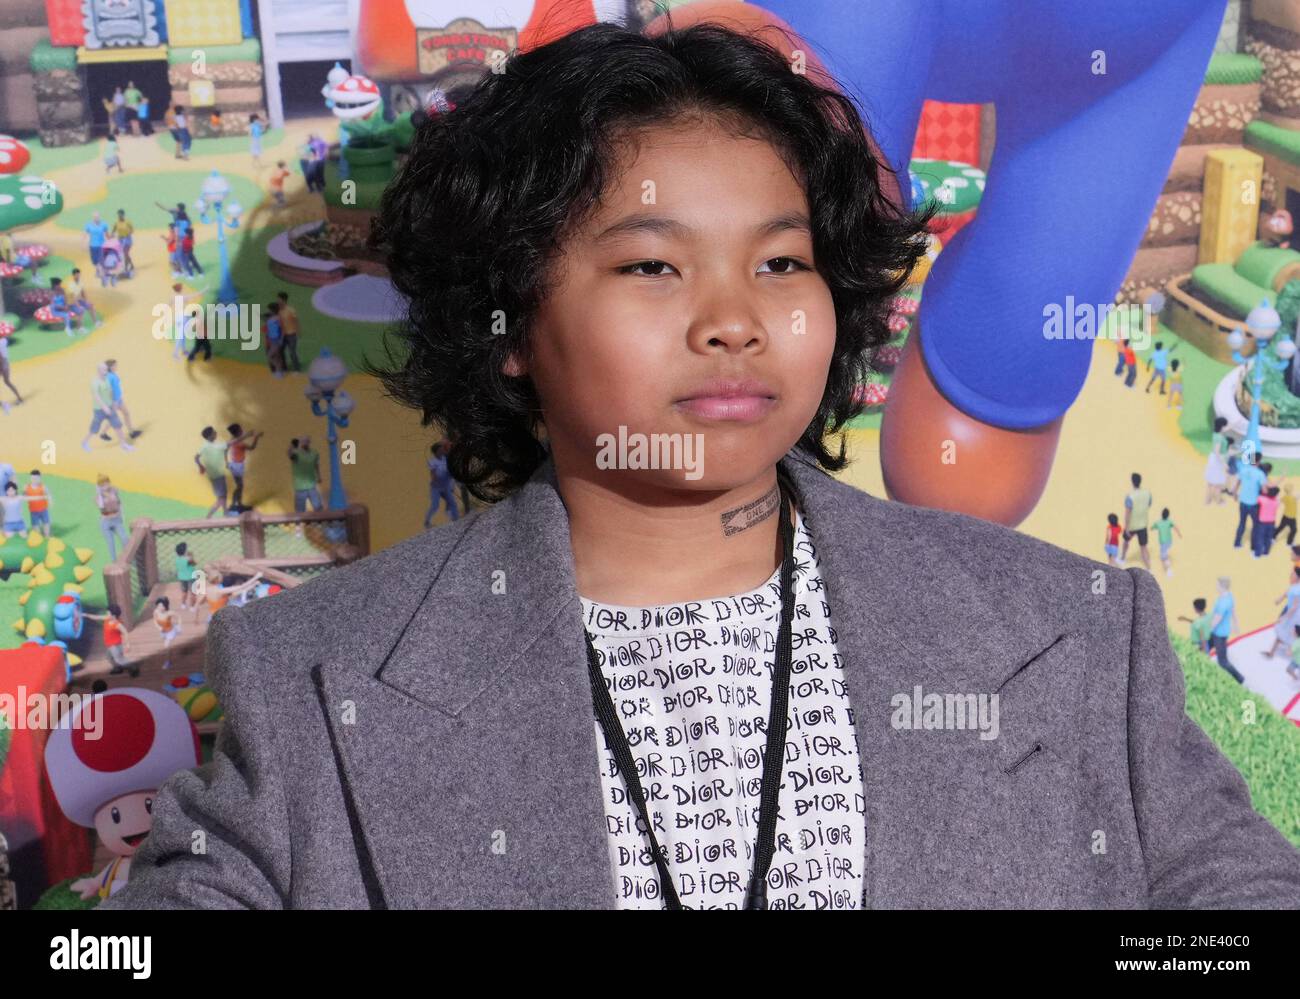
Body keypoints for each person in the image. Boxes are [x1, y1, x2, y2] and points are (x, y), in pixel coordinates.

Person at [102, 21, 1300, 912]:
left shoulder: (1071, 630)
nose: (734, 320)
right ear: (512, 325)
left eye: (782, 265)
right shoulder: (315, 675)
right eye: (652, 268)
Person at [81, 363, 133, 452]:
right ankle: (84, 442)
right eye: (104, 370)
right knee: (94, 429)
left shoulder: (107, 380)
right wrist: (104, 407)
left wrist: (114, 403)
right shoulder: (95, 382)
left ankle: (123, 445)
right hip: (99, 411)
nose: (106, 371)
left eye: (106, 369)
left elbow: (110, 392)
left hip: (110, 408)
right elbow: (96, 396)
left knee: (118, 426)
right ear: (99, 371)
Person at [83, 603, 138, 677]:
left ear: (113, 615)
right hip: (110, 645)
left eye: (108, 612)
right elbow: (96, 617)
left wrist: (128, 644)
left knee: (119, 659)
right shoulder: (107, 619)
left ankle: (133, 667)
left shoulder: (117, 624)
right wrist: (86, 615)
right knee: (109, 657)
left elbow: (125, 632)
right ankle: (118, 668)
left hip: (115, 646)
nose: (107, 613)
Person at [1209, 577, 1244, 684]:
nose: (1215, 587)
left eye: (1217, 585)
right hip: (1222, 631)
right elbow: (1233, 612)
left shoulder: (1223, 603)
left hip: (1218, 633)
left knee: (1222, 661)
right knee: (1204, 648)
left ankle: (1239, 678)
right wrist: (1236, 624)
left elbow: (1217, 619)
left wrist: (1208, 629)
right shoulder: (1230, 596)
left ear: (1221, 587)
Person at [1233, 449, 1267, 549]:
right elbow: (1264, 490)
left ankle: (1237, 543)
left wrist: (1235, 494)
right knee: (1256, 524)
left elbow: (1237, 483)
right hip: (1253, 503)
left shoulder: (1243, 470)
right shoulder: (1260, 474)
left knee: (1242, 522)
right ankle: (1253, 546)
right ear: (1259, 461)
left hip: (1243, 501)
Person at [226, 424, 263, 513]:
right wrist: (256, 438)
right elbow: (252, 447)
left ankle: (237, 503)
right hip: (237, 466)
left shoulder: (232, 440)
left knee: (239, 486)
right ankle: (236, 504)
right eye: (240, 429)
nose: (242, 430)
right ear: (238, 432)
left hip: (235, 465)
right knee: (240, 486)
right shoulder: (240, 444)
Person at [1265, 566, 1300, 660]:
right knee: (1282, 632)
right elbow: (1287, 593)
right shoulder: (1293, 586)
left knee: (1290, 635)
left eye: (1293, 574)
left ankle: (1294, 657)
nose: (1291, 575)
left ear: (1297, 577)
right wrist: (1279, 599)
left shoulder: (1298, 590)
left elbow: (1295, 607)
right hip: (1290, 613)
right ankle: (1271, 652)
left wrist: (1284, 617)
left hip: (1294, 616)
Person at [102, 359, 141, 441]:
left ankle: (131, 432)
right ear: (111, 367)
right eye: (115, 365)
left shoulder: (113, 374)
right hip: (114, 401)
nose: (116, 366)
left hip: (119, 399)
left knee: (126, 413)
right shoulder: (109, 377)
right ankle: (103, 433)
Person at [1120, 471, 1152, 570]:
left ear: (1132, 482)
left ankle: (1122, 559)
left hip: (1132, 526)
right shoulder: (1147, 494)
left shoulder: (1130, 496)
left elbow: (1127, 513)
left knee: (1126, 541)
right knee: (1143, 547)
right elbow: (1148, 505)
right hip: (1143, 525)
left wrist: (1126, 528)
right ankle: (1149, 568)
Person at [196, 425, 230, 518]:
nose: (216, 433)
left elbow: (196, 457)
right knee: (221, 499)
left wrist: (200, 466)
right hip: (217, 476)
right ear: (210, 436)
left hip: (216, 475)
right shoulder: (212, 446)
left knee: (223, 495)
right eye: (214, 432)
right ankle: (209, 515)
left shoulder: (205, 446)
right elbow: (229, 444)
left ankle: (225, 513)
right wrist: (201, 466)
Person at [423, 441, 460, 528]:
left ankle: (456, 519)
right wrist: (435, 478)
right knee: (435, 505)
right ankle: (427, 521)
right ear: (437, 451)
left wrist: (453, 480)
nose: (443, 450)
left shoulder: (445, 459)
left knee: (452, 503)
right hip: (436, 488)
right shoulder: (433, 462)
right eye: (441, 449)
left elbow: (450, 471)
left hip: (445, 486)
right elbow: (433, 473)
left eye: (443, 449)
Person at [94, 474, 128, 562]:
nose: (105, 486)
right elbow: (101, 506)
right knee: (111, 543)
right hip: (106, 521)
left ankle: (128, 559)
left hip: (116, 519)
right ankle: (114, 562)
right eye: (102, 485)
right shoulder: (98, 497)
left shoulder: (114, 491)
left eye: (106, 483)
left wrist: (122, 515)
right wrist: (99, 493)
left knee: (125, 539)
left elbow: (119, 503)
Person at [288, 436, 322, 517]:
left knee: (318, 508)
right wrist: (292, 445)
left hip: (312, 485)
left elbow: (316, 465)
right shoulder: (296, 453)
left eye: (306, 441)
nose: (305, 443)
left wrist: (319, 476)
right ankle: (299, 529)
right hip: (300, 487)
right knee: (300, 512)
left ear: (309, 442)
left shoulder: (314, 453)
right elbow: (290, 454)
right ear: (300, 443)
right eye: (303, 441)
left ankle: (322, 527)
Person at [152, 596, 182, 671]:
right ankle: (167, 652)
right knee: (164, 643)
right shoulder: (156, 612)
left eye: (162, 605)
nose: (159, 607)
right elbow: (155, 620)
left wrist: (179, 625)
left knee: (167, 645)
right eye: (158, 605)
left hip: (170, 631)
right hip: (163, 631)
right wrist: (158, 627)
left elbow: (178, 617)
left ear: (166, 606)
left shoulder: (169, 613)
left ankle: (168, 662)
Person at [1151, 506, 1181, 577]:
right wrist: (1179, 534)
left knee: (1164, 557)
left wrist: (1151, 528)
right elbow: (1175, 527)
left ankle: (1169, 570)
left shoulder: (1158, 523)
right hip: (1169, 541)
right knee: (1165, 552)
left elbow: (1152, 527)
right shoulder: (1169, 521)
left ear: (1161, 514)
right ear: (1168, 515)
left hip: (1163, 543)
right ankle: (1167, 561)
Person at [276, 291, 301, 370]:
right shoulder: (279, 311)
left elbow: (296, 321)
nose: (278, 301)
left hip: (291, 334)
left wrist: (298, 331)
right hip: (283, 335)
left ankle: (297, 368)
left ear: (284, 300)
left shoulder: (290, 310)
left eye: (279, 299)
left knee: (292, 352)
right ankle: (284, 367)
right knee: (280, 351)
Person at [175, 542, 200, 618]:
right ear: (184, 551)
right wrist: (191, 556)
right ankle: (192, 607)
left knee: (184, 592)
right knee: (193, 593)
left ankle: (183, 604)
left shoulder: (177, 559)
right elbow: (195, 563)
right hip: (191, 578)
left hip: (182, 578)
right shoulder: (188, 559)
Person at [1256, 485, 1282, 558]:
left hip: (1262, 522)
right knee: (1268, 538)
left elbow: (1257, 498)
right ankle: (1266, 552)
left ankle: (1258, 553)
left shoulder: (1262, 499)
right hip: (1271, 522)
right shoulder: (1277, 502)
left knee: (1260, 537)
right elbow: (1278, 498)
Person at [24, 469, 51, 538]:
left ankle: (47, 536)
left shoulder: (43, 487)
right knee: (36, 529)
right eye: (33, 478)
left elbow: (48, 495)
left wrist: (50, 500)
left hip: (43, 510)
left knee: (46, 525)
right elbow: (24, 496)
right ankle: (39, 536)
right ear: (30, 478)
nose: (34, 480)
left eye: (36, 478)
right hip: (33, 511)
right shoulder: (27, 487)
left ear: (40, 478)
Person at [0, 326, 21, 412]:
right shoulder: (4, 340)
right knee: (7, 382)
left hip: (2, 364)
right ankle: (19, 398)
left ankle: (3, 404)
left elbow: (0, 358)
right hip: (6, 363)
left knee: (7, 382)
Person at [264, 301, 286, 375]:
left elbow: (283, 330)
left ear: (272, 310)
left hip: (276, 340)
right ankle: (280, 371)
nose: (268, 311)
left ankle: (279, 370)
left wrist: (281, 340)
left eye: (269, 309)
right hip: (271, 339)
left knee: (270, 356)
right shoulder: (270, 318)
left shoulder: (278, 319)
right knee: (277, 356)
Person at [112, 209, 135, 278]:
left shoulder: (127, 222)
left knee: (125, 253)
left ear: (123, 215)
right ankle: (131, 264)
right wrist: (111, 235)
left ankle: (125, 268)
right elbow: (114, 229)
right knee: (122, 254)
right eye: (118, 215)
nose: (119, 216)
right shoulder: (116, 222)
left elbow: (132, 229)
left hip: (127, 239)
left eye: (121, 214)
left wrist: (128, 234)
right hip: (120, 239)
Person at [1278, 481, 1298, 548]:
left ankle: (1273, 536)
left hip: (1285, 516)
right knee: (1294, 530)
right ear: (1291, 490)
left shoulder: (1285, 497)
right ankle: (1289, 543)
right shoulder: (1294, 497)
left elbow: (1279, 500)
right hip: (1291, 518)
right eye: (1292, 489)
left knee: (1281, 527)